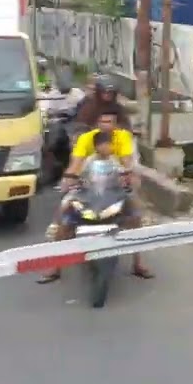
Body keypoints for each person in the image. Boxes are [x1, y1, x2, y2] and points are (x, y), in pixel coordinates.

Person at [37, 108, 154, 282]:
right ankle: (55, 266)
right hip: (87, 192)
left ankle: (138, 263)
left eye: (109, 122)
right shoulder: (86, 142)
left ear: (115, 126)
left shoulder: (122, 140)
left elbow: (127, 163)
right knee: (65, 212)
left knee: (135, 215)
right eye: (102, 122)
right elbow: (75, 164)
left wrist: (130, 177)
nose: (105, 125)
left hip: (113, 192)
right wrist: (69, 179)